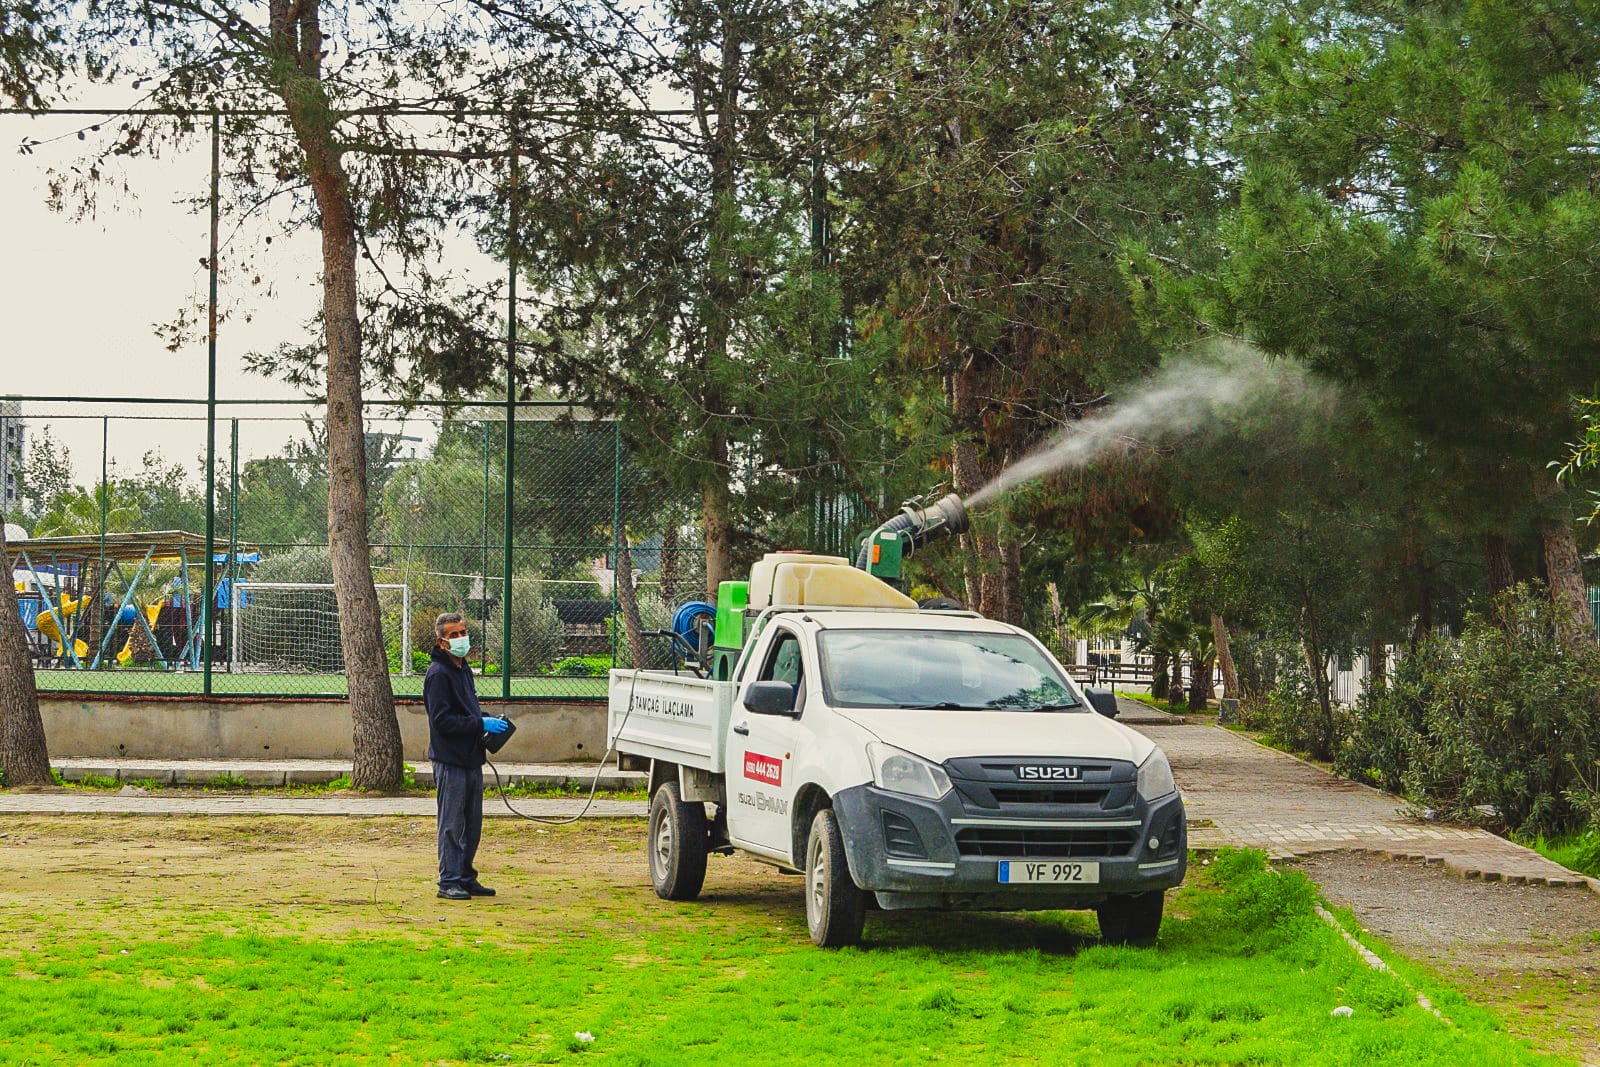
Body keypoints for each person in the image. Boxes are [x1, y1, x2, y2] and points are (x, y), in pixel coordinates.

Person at [424, 611, 512, 901]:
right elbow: (442, 721)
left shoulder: (462, 669)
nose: (462, 638)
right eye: (455, 635)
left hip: (472, 757)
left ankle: (464, 875)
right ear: (442, 641)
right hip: (450, 760)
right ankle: (448, 880)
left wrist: (483, 719)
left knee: (472, 824)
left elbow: (465, 710)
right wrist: (479, 724)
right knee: (451, 824)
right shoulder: (438, 675)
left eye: (463, 632)